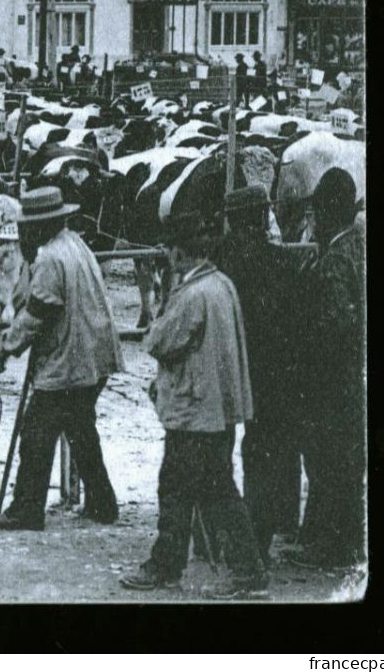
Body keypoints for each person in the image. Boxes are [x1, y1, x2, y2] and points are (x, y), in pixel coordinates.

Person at [120, 196, 269, 598]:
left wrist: (158, 318)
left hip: (193, 409)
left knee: (178, 488)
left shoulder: (191, 295)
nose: (167, 256)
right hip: (218, 410)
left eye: (169, 249)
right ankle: (246, 571)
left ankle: (171, 566)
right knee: (216, 488)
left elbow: (159, 341)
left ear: (180, 252)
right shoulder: (222, 284)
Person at [0, 187, 124, 531]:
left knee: (35, 435)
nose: (24, 232)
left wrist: (6, 346)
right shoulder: (76, 244)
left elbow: (38, 314)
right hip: (94, 354)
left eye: (28, 226)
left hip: (69, 361)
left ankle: (27, 509)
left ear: (42, 225)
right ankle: (102, 502)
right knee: (80, 429)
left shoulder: (49, 257)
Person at [215, 184, 305, 564]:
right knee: (266, 451)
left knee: (216, 450)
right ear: (260, 216)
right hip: (274, 372)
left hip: (226, 368)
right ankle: (264, 532)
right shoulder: (282, 261)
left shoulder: (220, 260)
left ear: (233, 221)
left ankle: (219, 536)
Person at [284, 168, 365, 572]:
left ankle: (332, 548)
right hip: (352, 382)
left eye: (316, 213)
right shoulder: (360, 247)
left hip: (331, 384)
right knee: (346, 464)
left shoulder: (333, 262)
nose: (312, 221)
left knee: (329, 463)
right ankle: (339, 541)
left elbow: (334, 328)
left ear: (330, 213)